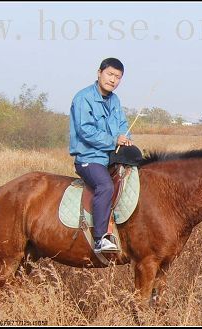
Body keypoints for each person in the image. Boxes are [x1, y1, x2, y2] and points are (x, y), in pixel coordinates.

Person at [69, 57, 133, 253]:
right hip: (89, 158)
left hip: (110, 158)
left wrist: (127, 139)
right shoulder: (83, 98)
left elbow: (123, 126)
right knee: (105, 186)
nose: (113, 80)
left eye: (118, 77)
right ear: (99, 73)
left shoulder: (115, 100)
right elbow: (85, 130)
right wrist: (114, 140)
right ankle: (100, 238)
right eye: (110, 74)